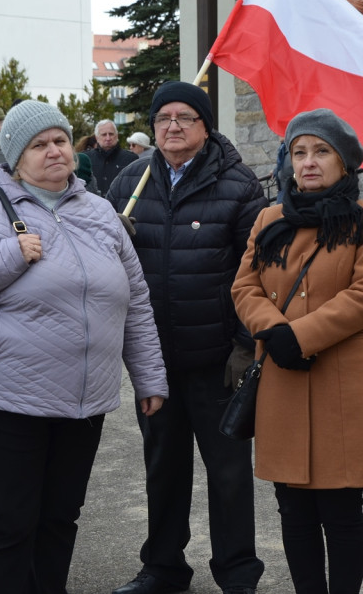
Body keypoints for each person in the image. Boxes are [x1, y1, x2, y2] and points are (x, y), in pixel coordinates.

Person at [0, 100, 168, 594]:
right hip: (11, 397)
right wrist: (11, 253)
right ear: (15, 156)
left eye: (59, 140)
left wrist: (149, 376)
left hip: (85, 400)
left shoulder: (99, 211)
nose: (53, 151)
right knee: (12, 523)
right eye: (39, 145)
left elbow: (135, 300)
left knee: (60, 519)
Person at [107, 82, 267, 594]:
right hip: (154, 363)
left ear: (206, 125)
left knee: (228, 475)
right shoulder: (130, 181)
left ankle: (238, 572)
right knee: (163, 469)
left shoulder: (239, 186)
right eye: (162, 118)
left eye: (185, 117)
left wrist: (245, 348)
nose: (172, 126)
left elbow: (257, 274)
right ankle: (163, 567)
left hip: (217, 361)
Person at [231, 109, 363, 593]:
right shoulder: (269, 218)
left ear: (344, 162)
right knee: (293, 507)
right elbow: (244, 287)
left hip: (342, 384)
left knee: (341, 510)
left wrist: (297, 336)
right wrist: (273, 330)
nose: (308, 162)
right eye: (299, 152)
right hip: (282, 381)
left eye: (321, 151)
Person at [87, 119, 137, 194]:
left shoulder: (131, 159)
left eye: (111, 134)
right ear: (97, 138)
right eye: (104, 134)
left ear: (117, 136)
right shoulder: (86, 158)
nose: (108, 138)